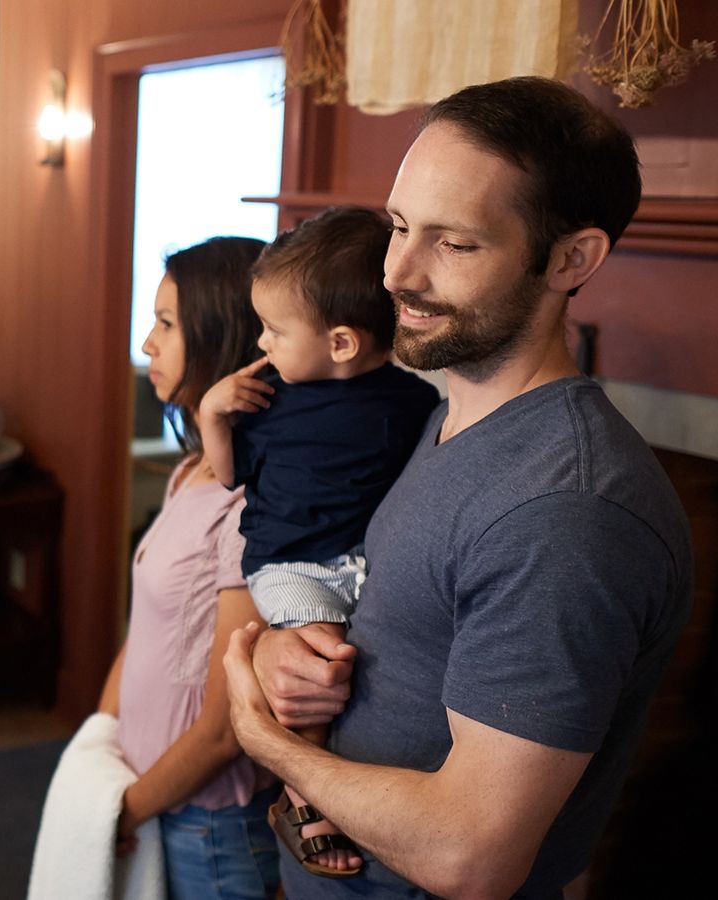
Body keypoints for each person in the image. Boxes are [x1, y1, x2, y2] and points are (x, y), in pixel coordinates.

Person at [221, 76, 694, 899]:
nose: (397, 272)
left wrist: (270, 742)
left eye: (455, 244)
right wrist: (284, 651)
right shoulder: (451, 418)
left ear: (572, 259)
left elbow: (469, 857)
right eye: (400, 226)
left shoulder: (567, 513)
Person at [196, 207, 440, 878]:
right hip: (288, 564)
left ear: (341, 343)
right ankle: (302, 795)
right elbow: (226, 474)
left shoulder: (414, 403)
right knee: (321, 652)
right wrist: (210, 412)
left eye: (274, 330)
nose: (262, 343)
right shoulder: (266, 395)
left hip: (363, 563)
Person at [95, 236, 283, 899]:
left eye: (167, 324)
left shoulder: (251, 506)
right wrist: (97, 750)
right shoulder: (187, 476)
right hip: (149, 796)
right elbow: (143, 635)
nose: (148, 343)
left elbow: (224, 729)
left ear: (221, 333)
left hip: (211, 828)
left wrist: (126, 808)